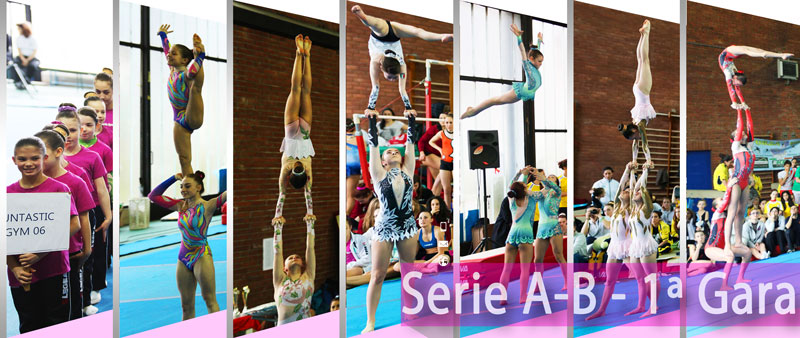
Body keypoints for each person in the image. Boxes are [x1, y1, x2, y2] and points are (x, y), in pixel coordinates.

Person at [7, 137, 80, 332]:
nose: (28, 163)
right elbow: (6, 237)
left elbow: (74, 225)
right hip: (21, 275)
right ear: (14, 160)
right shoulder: (7, 194)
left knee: (57, 322)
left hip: (54, 269)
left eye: (34, 158)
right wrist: (14, 268)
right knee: (29, 323)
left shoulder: (58, 189)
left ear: (44, 158)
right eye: (22, 159)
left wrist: (41, 252)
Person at [361, 109, 419, 333]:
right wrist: (372, 120)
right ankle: (370, 321)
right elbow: (373, 146)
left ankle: (410, 312)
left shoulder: (408, 170)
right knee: (377, 275)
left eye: (397, 151)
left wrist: (411, 119)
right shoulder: (379, 174)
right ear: (384, 162)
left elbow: (410, 142)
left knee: (408, 271)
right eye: (390, 152)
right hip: (385, 228)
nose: (394, 152)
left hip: (406, 226)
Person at [56, 105, 112, 314]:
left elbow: (102, 188)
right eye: (62, 130)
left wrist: (108, 215)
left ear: (80, 131)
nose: (67, 135)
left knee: (85, 257)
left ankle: (86, 296)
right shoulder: (52, 159)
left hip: (89, 211)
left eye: (71, 130)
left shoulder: (92, 157)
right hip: (62, 215)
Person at [148, 172, 226, 320]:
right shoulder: (179, 206)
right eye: (181, 186)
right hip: (183, 257)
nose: (183, 189)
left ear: (199, 187)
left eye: (187, 186)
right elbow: (153, 196)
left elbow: (229, 193)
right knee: (186, 306)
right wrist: (173, 178)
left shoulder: (208, 206)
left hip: (201, 254)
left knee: (210, 300)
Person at [352, 4, 452, 118]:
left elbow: (383, 87)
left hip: (385, 35)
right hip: (389, 35)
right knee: (376, 25)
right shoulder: (385, 63)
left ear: (382, 68)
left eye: (392, 77)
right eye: (392, 77)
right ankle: (362, 16)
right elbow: (391, 89)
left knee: (417, 31)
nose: (393, 80)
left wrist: (371, 107)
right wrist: (371, 108)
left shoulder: (388, 63)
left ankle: (442, 36)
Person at [35, 129, 94, 320]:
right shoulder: (32, 183)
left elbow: (84, 218)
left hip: (70, 253)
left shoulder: (75, 182)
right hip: (41, 254)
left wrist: (87, 248)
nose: (39, 162)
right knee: (46, 305)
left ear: (58, 152)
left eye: (43, 156)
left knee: (71, 302)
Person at [273, 34, 316, 226]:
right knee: (299, 91)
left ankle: (302, 55)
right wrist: (309, 213)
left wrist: (309, 213)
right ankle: (302, 55)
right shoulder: (291, 171)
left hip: (300, 132)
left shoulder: (299, 172)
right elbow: (301, 196)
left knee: (299, 90)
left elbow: (286, 195)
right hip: (296, 133)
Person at [586, 162, 634, 321]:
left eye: (627, 191)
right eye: (623, 190)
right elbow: (621, 187)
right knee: (609, 280)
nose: (624, 191)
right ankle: (602, 309)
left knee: (640, 277)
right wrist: (627, 169)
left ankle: (649, 303)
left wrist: (631, 174)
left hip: (626, 245)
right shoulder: (615, 208)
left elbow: (629, 187)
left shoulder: (631, 208)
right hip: (614, 246)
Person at [461, 26, 543, 119]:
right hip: (519, 93)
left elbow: (536, 52)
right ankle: (472, 111)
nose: (541, 64)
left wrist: (539, 41)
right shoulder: (528, 67)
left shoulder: (534, 65)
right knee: (495, 100)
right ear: (531, 59)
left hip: (526, 90)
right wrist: (519, 37)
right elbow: (522, 51)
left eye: (542, 61)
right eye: (540, 61)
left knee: (495, 100)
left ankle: (473, 110)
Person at [157, 24, 206, 177]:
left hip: (192, 114)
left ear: (185, 60)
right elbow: (167, 49)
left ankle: (199, 53)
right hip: (179, 118)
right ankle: (190, 192)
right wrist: (163, 35)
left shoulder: (185, 74)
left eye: (174, 54)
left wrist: (200, 56)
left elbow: (193, 71)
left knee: (194, 87)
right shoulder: (172, 70)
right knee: (184, 159)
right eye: (170, 54)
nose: (169, 55)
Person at [618, 20, 656, 169]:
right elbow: (636, 144)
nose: (637, 138)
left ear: (634, 131)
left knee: (645, 61)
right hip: (637, 90)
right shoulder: (634, 123)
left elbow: (644, 143)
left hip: (643, 91)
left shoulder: (639, 125)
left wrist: (648, 160)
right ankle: (642, 35)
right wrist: (634, 160)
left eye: (635, 136)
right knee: (640, 61)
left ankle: (646, 33)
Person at [498, 167, 539, 304]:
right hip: (526, 233)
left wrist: (521, 173)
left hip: (513, 233)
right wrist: (533, 175)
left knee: (507, 268)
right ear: (525, 189)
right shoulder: (531, 198)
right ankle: (522, 296)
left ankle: (502, 297)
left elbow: (512, 184)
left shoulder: (511, 200)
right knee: (525, 268)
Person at [626, 163, 659, 317]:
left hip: (646, 245)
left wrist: (646, 172)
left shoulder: (647, 210)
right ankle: (640, 306)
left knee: (651, 277)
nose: (635, 192)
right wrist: (632, 172)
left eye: (639, 192)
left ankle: (653, 305)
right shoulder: (633, 209)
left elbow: (641, 188)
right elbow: (634, 187)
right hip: (635, 246)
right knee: (639, 278)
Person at [718, 45, 792, 111]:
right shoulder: (735, 74)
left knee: (754, 51)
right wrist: (742, 103)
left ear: (736, 78)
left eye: (736, 83)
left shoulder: (728, 73)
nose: (735, 84)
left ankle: (775, 55)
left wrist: (734, 102)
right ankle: (781, 55)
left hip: (729, 51)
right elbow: (737, 90)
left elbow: (730, 88)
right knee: (757, 50)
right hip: (731, 54)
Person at [532, 169, 567, 292]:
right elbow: (529, 193)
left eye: (553, 177)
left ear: (556, 182)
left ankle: (567, 280)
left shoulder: (557, 191)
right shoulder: (541, 193)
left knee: (558, 255)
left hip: (553, 225)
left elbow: (550, 184)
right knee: (537, 259)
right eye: (550, 176)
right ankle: (538, 284)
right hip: (541, 228)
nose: (551, 177)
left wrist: (543, 178)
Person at [428, 113, 454, 207]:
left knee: (456, 188)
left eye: (451, 122)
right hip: (445, 162)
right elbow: (431, 141)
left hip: (455, 162)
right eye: (446, 122)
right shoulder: (441, 133)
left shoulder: (458, 133)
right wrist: (439, 149)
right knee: (446, 189)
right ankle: (448, 210)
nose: (448, 125)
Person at [10, 22, 41, 89]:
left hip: (31, 58)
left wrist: (27, 60)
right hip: (22, 57)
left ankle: (26, 81)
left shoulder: (33, 39)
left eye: (19, 29)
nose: (18, 30)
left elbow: (34, 51)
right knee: (14, 65)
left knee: (33, 65)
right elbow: (19, 50)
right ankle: (17, 82)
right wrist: (23, 59)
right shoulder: (18, 38)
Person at [346, 119, 362, 214]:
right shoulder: (359, 139)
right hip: (354, 166)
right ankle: (346, 216)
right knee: (350, 195)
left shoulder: (340, 137)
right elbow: (362, 155)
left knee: (346, 195)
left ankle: (344, 218)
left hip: (350, 166)